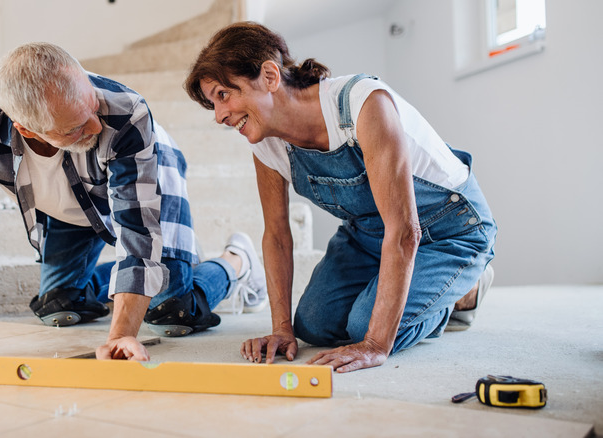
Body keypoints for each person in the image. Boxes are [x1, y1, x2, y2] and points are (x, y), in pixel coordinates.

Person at [0, 42, 267, 380]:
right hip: (65, 205)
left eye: (93, 105)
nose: (97, 125)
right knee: (59, 305)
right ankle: (127, 282)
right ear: (28, 130)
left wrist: (119, 335)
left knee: (171, 311)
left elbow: (137, 234)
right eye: (78, 127)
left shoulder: (124, 114)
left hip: (148, 180)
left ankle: (237, 262)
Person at [184, 22, 497, 373]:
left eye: (224, 95)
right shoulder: (266, 145)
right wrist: (282, 330)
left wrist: (376, 345)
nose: (219, 116)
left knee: (365, 328)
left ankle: (461, 296)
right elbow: (277, 236)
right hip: (369, 235)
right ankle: (399, 291)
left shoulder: (362, 104)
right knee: (313, 325)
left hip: (449, 229)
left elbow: (405, 231)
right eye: (213, 104)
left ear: (270, 76)